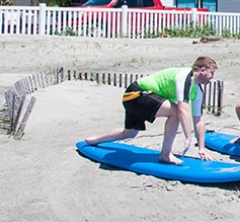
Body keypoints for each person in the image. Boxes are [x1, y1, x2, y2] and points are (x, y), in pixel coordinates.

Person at [84, 56, 218, 165]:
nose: (213, 76)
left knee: (130, 133)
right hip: (136, 94)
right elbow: (183, 110)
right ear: (202, 70)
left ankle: (93, 140)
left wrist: (201, 147)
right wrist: (188, 137)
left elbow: (198, 119)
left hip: (138, 98)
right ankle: (165, 155)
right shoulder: (185, 76)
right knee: (175, 111)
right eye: (212, 72)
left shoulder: (198, 91)